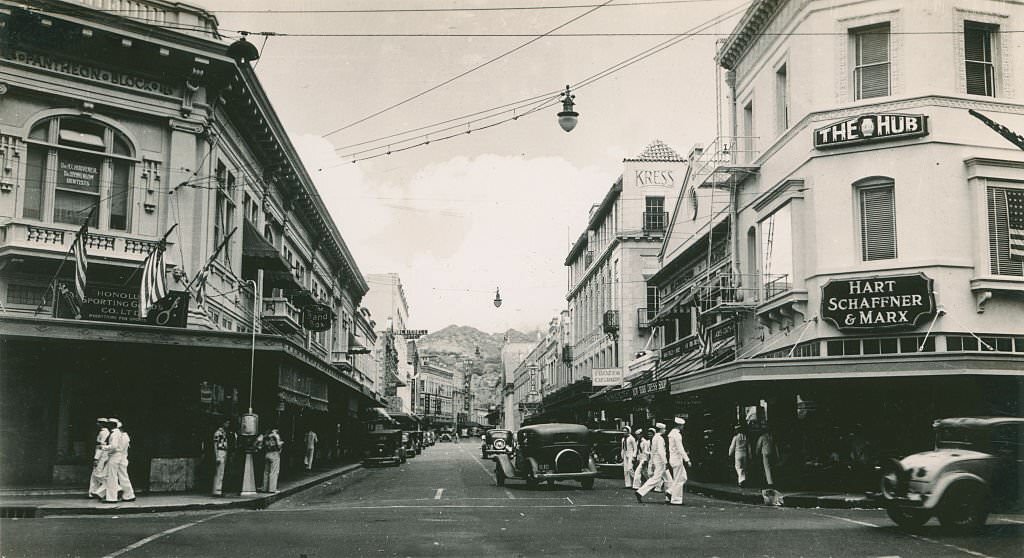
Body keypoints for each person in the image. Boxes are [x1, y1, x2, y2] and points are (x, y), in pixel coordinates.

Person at [634, 422, 668, 504]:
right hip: (660, 461)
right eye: (664, 429)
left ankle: (670, 494)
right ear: (661, 429)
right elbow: (661, 451)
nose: (665, 430)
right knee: (656, 479)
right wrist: (665, 461)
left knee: (668, 479)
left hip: (656, 460)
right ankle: (640, 492)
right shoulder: (659, 438)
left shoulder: (655, 438)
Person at [102, 418, 135, 502]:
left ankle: (111, 498)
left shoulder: (114, 434)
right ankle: (129, 494)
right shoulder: (124, 435)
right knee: (123, 476)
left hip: (115, 456)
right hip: (122, 457)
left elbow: (114, 446)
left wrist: (104, 447)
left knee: (112, 477)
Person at [666, 417, 692, 505]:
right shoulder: (677, 435)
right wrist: (687, 459)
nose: (683, 427)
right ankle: (676, 499)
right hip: (677, 459)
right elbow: (680, 448)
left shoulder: (671, 434)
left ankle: (670, 492)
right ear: (679, 425)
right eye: (682, 425)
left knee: (683, 477)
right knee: (678, 479)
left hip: (673, 458)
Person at [88, 418, 110, 499]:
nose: (97, 424)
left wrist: (96, 458)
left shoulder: (104, 433)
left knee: (98, 474)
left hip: (102, 455)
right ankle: (93, 492)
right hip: (101, 454)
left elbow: (101, 447)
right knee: (94, 474)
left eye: (98, 423)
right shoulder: (103, 432)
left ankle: (114, 487)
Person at [212, 419, 230, 496]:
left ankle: (218, 490)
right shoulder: (218, 433)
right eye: (227, 423)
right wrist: (217, 456)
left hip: (224, 451)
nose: (228, 425)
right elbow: (215, 445)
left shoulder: (224, 433)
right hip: (220, 451)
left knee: (221, 472)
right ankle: (217, 490)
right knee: (219, 471)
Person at [262, 427, 283, 493]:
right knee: (274, 472)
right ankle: (272, 489)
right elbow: (279, 446)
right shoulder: (276, 436)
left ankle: (264, 488)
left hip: (267, 454)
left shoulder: (266, 436)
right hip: (274, 454)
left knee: (266, 472)